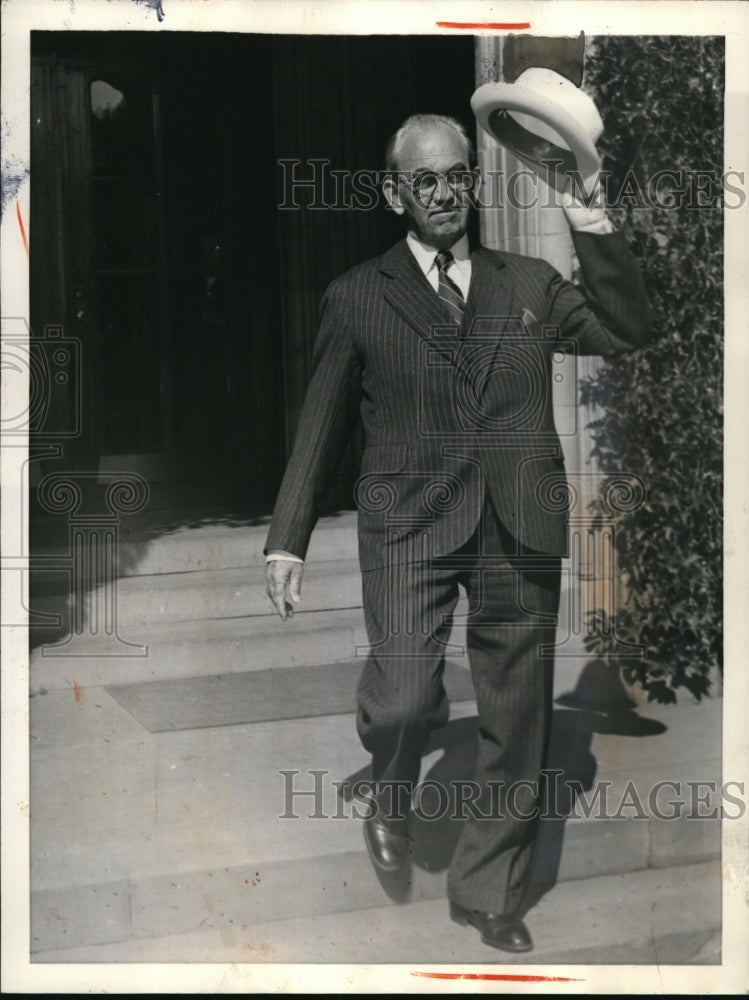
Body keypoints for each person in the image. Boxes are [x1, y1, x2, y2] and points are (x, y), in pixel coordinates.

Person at [264, 113, 651, 953]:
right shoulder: (360, 294)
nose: (444, 193)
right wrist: (287, 537)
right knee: (403, 699)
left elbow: (626, 331)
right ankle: (392, 789)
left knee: (516, 722)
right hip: (408, 522)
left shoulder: (530, 283)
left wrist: (588, 213)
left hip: (516, 519)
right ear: (394, 192)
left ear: (474, 181)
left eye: (457, 176)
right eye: (425, 180)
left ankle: (489, 893)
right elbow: (322, 425)